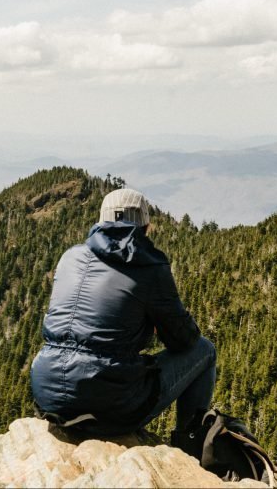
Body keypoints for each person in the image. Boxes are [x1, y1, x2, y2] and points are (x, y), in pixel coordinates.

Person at [30, 187, 216, 438]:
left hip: (47, 393)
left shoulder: (70, 257)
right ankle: (189, 442)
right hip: (108, 405)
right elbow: (183, 340)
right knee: (204, 350)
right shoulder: (149, 267)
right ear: (146, 227)